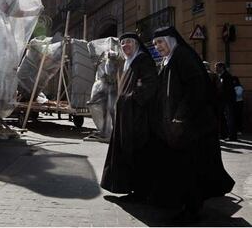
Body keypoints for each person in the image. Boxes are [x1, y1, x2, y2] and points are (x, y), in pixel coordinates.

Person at [150, 27, 235, 224]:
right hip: (177, 128)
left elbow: (195, 90)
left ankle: (192, 211)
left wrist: (180, 117)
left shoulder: (183, 56)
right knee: (181, 170)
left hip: (191, 128)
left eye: (160, 42)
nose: (157, 47)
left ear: (170, 41)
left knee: (190, 170)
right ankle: (182, 205)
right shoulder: (169, 59)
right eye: (155, 44)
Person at [100, 32, 158, 201]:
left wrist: (130, 99)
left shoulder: (143, 61)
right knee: (126, 151)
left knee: (137, 153)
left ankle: (139, 192)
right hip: (127, 116)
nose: (125, 47)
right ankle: (130, 188)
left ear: (137, 45)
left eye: (129, 43)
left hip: (138, 118)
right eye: (123, 44)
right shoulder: (128, 63)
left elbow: (149, 85)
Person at [215, 62, 237, 140]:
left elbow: (227, 90)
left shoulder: (226, 76)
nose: (216, 69)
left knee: (230, 118)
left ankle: (232, 136)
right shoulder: (222, 76)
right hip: (225, 100)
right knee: (226, 118)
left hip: (228, 100)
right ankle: (226, 134)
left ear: (222, 67)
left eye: (217, 67)